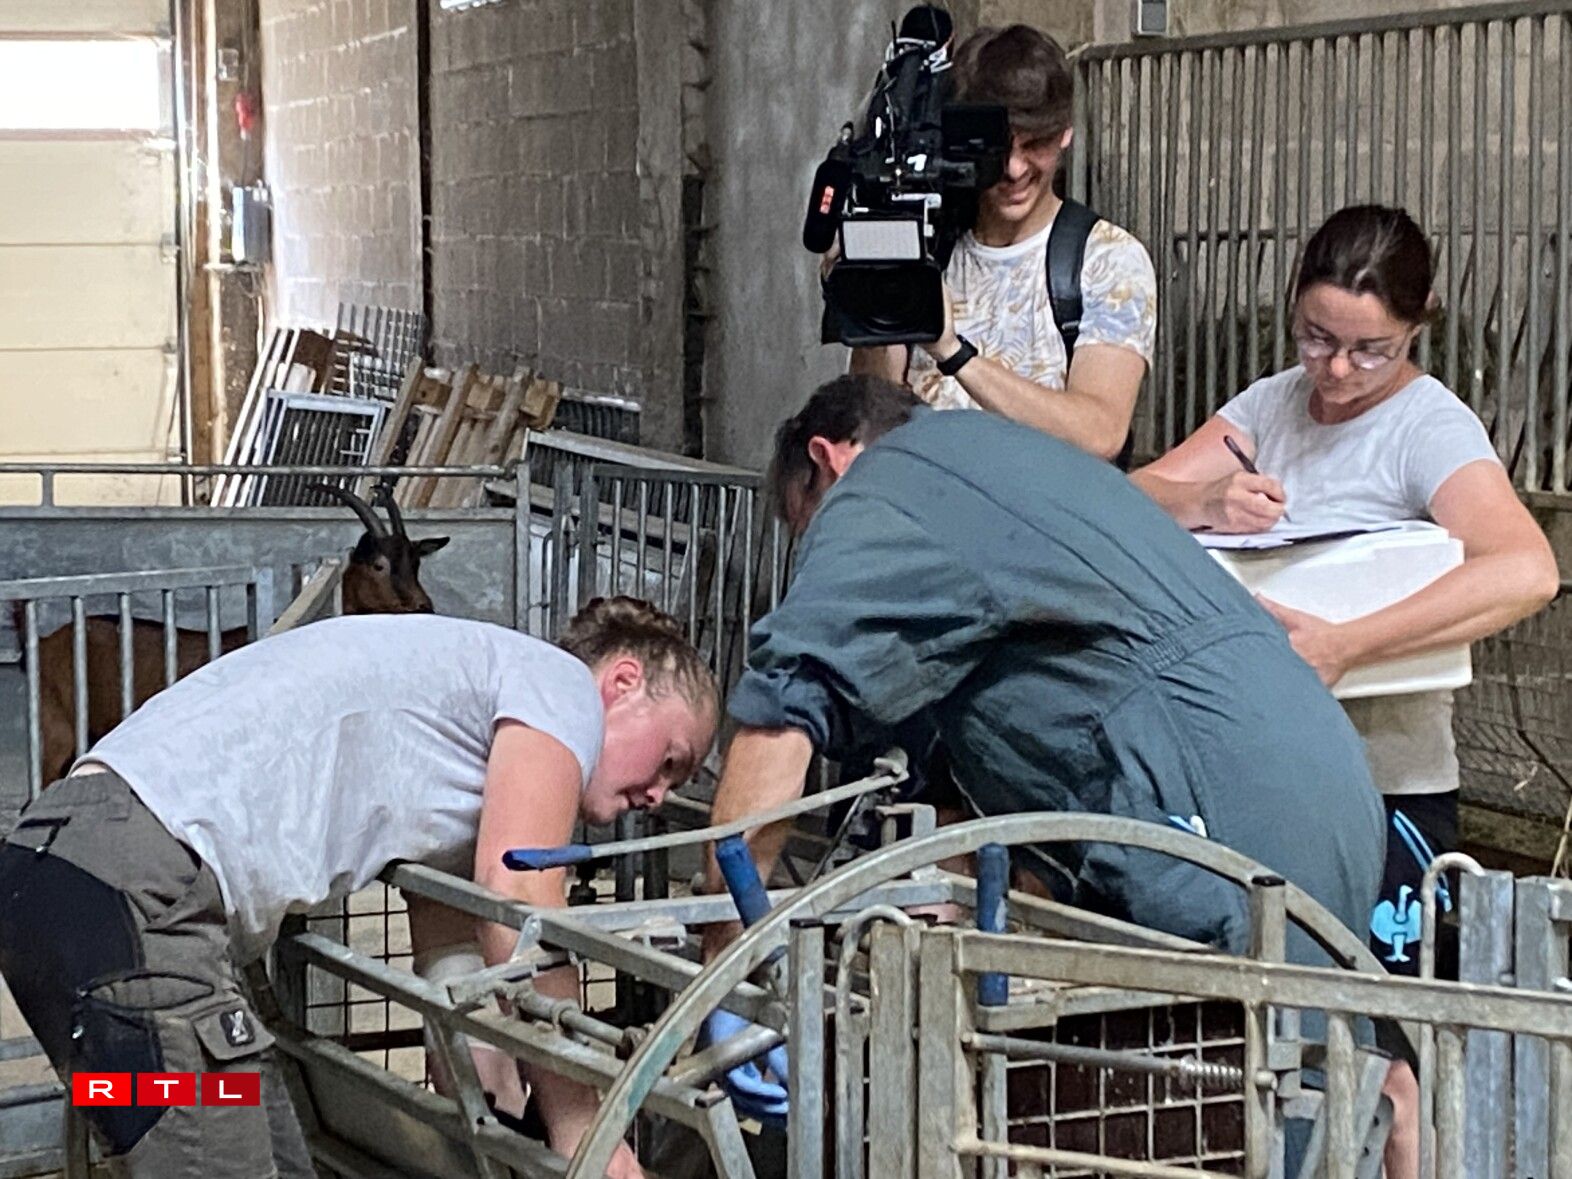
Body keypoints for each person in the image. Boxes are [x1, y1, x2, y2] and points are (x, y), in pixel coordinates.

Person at [698, 372, 1384, 1129]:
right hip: (1316, 768)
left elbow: (784, 705)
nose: (817, 554)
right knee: (1289, 1102)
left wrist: (726, 973)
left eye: (806, 527)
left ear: (826, 460)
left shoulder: (884, 487)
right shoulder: (1012, 466)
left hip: (1210, 789)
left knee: (1226, 1116)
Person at [1130, 204, 1560, 1179]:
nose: (1335, 370)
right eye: (1316, 337)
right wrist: (1204, 500)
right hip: (1261, 782)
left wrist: (1346, 646)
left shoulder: (1427, 426)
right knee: (1269, 1030)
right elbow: (1130, 496)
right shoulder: (1270, 405)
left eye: (1370, 349)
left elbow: (1525, 568)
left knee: (1388, 1054)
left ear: (1418, 325)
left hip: (1384, 782)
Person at [0, 599, 718, 1179]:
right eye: (671, 759)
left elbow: (458, 961)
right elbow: (522, 904)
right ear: (622, 682)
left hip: (60, 890)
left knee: (261, 1148)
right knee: (221, 1152)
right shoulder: (561, 687)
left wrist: (498, 1114)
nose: (659, 795)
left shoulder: (459, 740)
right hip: (134, 903)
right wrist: (586, 1129)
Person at [852, 24, 1157, 462]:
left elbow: (1100, 433)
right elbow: (869, 416)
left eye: (1036, 145)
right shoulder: (931, 245)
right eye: (994, 150)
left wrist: (954, 354)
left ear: (1066, 132)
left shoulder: (1106, 258)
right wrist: (868, 297)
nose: (1014, 169)